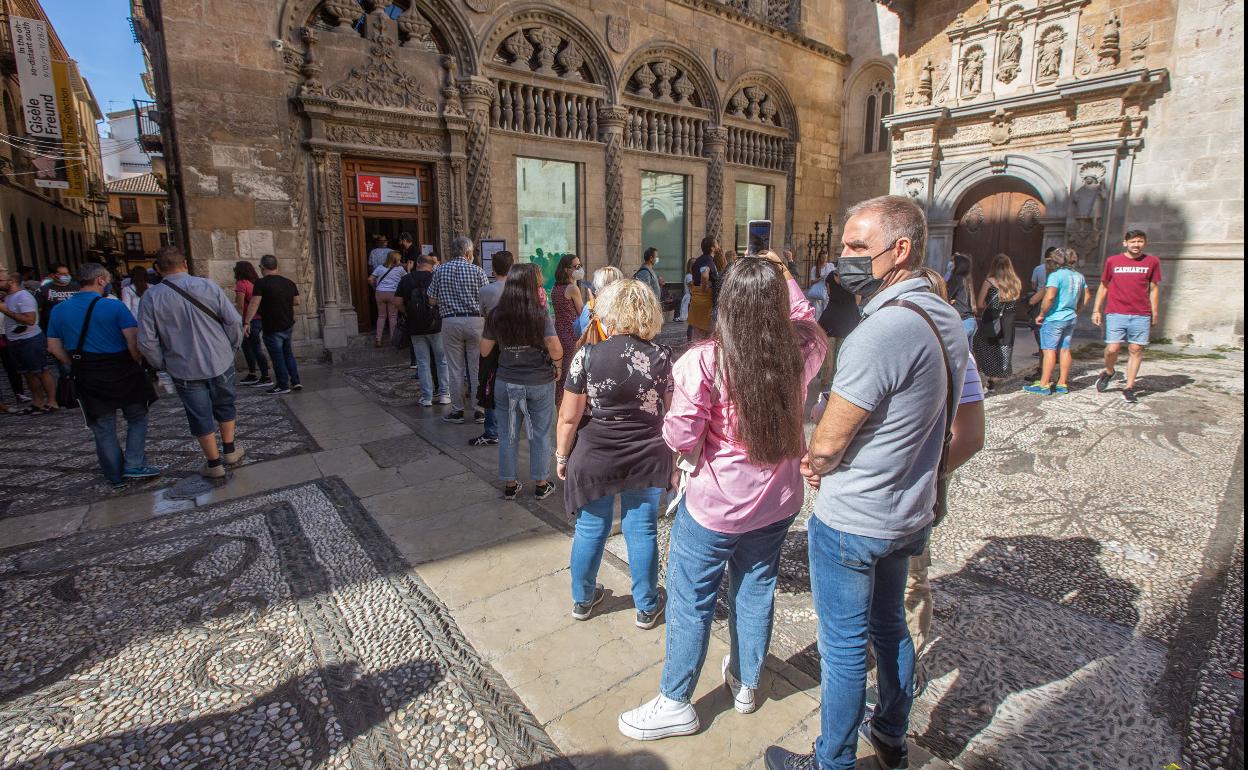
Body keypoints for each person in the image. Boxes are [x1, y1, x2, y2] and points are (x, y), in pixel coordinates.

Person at [764, 195, 970, 770]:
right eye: (844, 245)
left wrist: (814, 462)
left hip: (857, 516)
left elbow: (829, 440)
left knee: (845, 647)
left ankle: (831, 760)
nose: (844, 257)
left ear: (899, 249)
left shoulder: (883, 330)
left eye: (857, 246)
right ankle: (891, 735)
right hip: (908, 509)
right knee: (889, 626)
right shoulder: (942, 316)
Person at [618, 251, 826, 741]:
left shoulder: (704, 361)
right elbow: (807, 318)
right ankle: (747, 682)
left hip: (715, 505)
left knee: (692, 598)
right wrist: (784, 274)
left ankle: (676, 700)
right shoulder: (802, 350)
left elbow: (680, 434)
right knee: (755, 588)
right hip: (777, 501)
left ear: (727, 303)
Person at [557, 278, 672, 627]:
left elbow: (568, 417)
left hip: (596, 455)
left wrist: (561, 455)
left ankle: (582, 599)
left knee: (591, 527)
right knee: (642, 528)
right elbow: (673, 413)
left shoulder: (587, 356)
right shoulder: (662, 357)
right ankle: (646, 606)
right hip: (646, 454)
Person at [46, 263, 161, 489]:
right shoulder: (113, 306)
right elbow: (132, 340)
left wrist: (75, 362)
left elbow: (53, 347)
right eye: (107, 279)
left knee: (102, 426)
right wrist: (136, 362)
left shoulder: (59, 310)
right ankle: (134, 463)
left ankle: (115, 476)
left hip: (87, 372)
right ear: (100, 280)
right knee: (137, 417)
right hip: (121, 368)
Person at [137, 246, 245, 479]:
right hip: (219, 358)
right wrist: (232, 347)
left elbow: (146, 341)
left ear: (158, 269)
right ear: (185, 264)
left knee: (199, 413)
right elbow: (234, 321)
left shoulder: (151, 297)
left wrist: (161, 364)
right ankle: (230, 450)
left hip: (183, 365)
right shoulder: (208, 286)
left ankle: (214, 463)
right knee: (225, 403)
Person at [480, 263, 563, 501]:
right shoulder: (539, 313)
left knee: (508, 434)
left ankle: (510, 484)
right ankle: (541, 484)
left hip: (507, 381)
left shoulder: (496, 314)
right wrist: (558, 367)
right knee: (540, 434)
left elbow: (484, 350)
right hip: (539, 381)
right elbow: (555, 346)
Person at [1091, 230, 1161, 403]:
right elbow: (1104, 286)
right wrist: (1096, 309)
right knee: (1112, 349)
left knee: (1136, 349)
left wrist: (1154, 312)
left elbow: (1153, 289)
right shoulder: (1113, 261)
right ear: (1125, 243)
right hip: (1116, 311)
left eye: (1140, 241)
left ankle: (1129, 387)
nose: (1136, 245)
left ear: (1145, 243)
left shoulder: (1152, 262)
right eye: (1133, 241)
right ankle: (1109, 372)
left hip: (1141, 313)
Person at [429, 235, 489, 424]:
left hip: (451, 321)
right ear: (468, 252)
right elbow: (486, 298)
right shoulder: (477, 271)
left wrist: (448, 300)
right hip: (475, 321)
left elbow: (431, 299)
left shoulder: (440, 270)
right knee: (477, 367)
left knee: (454, 368)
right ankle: (479, 410)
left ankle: (457, 411)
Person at [1025, 247, 1091, 395]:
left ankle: (1044, 384)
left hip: (1055, 318)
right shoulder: (1079, 276)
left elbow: (1049, 297)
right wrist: (1077, 310)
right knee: (1065, 349)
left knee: (1049, 350)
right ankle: (1062, 383)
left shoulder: (1056, 275)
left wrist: (1042, 313)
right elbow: (1087, 296)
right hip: (1070, 317)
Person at [469, 250, 515, 446]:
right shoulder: (519, 289)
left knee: (489, 384)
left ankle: (491, 430)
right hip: (515, 342)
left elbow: (483, 313)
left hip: (492, 341)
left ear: (493, 268)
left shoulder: (486, 291)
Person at [396, 253, 451, 408]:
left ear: (418, 263)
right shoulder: (436, 277)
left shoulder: (406, 279)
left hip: (415, 326)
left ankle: (427, 397)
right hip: (436, 325)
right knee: (442, 360)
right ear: (431, 265)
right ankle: (444, 394)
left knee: (422, 362)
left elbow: (397, 302)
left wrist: (408, 313)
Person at [0, 267, 58, 413]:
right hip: (14, 340)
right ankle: (37, 401)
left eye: (1, 280)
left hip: (30, 339)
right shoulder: (8, 297)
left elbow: (30, 320)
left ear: (11, 282)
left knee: (41, 371)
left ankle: (52, 401)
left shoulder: (23, 296)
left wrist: (5, 310)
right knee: (27, 373)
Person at [244, 254, 302, 396]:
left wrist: (247, 321)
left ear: (263, 267)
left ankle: (282, 385)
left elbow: (254, 303)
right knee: (288, 353)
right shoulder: (289, 282)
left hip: (272, 326)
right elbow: (297, 301)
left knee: (277, 357)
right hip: (287, 324)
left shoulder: (261, 283)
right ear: (276, 266)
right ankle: (295, 381)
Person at [971, 253, 1021, 387]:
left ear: (993, 266)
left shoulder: (989, 282)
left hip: (992, 318)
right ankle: (997, 376)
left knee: (983, 345)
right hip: (1008, 321)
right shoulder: (1015, 282)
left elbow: (980, 303)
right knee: (1003, 345)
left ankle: (988, 375)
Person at [552, 254, 585, 402]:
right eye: (576, 266)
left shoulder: (556, 288)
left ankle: (559, 405)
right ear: (566, 270)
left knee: (562, 372)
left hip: (559, 332)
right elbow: (582, 312)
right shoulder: (573, 288)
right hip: (572, 334)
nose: (579, 269)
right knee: (571, 374)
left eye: (580, 265)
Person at [232, 260, 271, 387]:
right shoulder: (255, 282)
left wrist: (241, 320)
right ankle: (254, 374)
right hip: (260, 319)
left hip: (249, 320)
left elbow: (240, 306)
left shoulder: (241, 284)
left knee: (253, 347)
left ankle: (264, 376)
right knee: (250, 346)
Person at [572, 266, 623, 340]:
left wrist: (592, 304)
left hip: (598, 346)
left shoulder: (591, 307)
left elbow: (581, 331)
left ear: (597, 285)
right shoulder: (626, 307)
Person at [686, 236, 721, 342]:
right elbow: (705, 275)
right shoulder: (708, 260)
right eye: (716, 244)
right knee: (707, 336)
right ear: (712, 248)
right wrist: (704, 287)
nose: (718, 246)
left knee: (698, 334)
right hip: (706, 302)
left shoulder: (698, 260)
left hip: (697, 301)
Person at [370, 250, 407, 347]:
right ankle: (392, 339)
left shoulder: (380, 267)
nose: (400, 261)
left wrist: (375, 287)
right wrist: (409, 269)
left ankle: (378, 339)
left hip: (380, 293)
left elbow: (370, 279)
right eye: (399, 260)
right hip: (393, 293)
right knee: (393, 317)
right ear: (395, 260)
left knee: (381, 316)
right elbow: (407, 279)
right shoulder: (400, 269)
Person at [36, 264, 78, 335]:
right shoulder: (43, 290)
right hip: (53, 330)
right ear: (52, 275)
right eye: (62, 274)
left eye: (67, 273)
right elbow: (38, 311)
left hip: (75, 327)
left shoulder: (78, 287)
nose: (66, 275)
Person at [948, 253, 977, 344]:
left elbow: (945, 296)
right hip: (970, 320)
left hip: (961, 321)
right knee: (968, 352)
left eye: (953, 262)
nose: (951, 264)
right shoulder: (967, 280)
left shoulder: (956, 279)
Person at [675, 257, 694, 322]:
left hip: (690, 298)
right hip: (689, 298)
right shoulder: (689, 276)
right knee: (686, 317)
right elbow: (692, 287)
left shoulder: (691, 275)